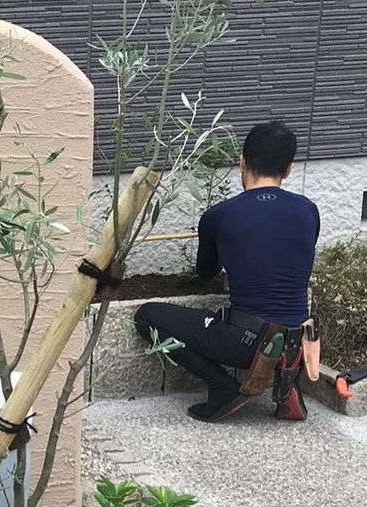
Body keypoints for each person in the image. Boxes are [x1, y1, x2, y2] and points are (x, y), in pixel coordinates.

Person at [134, 120, 319, 423]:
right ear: (288, 170)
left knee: (147, 316)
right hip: (300, 339)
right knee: (285, 316)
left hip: (246, 344)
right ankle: (288, 381)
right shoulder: (309, 210)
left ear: (242, 161)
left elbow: (206, 272)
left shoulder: (220, 216)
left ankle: (222, 387)